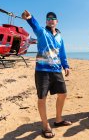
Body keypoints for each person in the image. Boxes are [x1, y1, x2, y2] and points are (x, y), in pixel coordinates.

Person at [22, 10, 71, 139]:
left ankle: (58, 120)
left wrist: (66, 66)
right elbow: (35, 26)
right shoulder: (42, 32)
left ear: (57, 21)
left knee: (63, 94)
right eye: (48, 18)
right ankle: (45, 125)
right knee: (42, 98)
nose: (51, 20)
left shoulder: (60, 37)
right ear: (46, 21)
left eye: (53, 18)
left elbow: (62, 53)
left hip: (56, 70)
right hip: (42, 71)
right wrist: (30, 18)